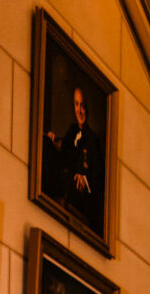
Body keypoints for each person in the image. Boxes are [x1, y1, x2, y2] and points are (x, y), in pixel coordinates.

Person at [44, 86, 103, 228]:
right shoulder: (72, 130)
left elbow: (99, 173)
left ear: (87, 108)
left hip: (79, 195)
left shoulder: (93, 140)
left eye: (82, 105)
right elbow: (63, 148)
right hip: (65, 182)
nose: (79, 110)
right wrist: (53, 140)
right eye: (77, 104)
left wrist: (85, 179)